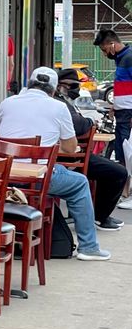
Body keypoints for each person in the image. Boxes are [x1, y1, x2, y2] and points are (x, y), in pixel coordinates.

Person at [0, 66, 110, 261]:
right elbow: (71, 148)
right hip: (39, 178)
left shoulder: (7, 103)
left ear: (28, 84)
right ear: (53, 90)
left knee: (61, 174)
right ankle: (88, 247)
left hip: (5, 178)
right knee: (79, 183)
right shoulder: (58, 107)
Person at [56, 68, 126, 231]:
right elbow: (78, 125)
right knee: (117, 172)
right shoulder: (58, 104)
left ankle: (97, 215)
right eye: (73, 86)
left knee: (109, 167)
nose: (77, 90)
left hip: (65, 156)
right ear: (60, 86)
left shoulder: (63, 102)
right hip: (69, 158)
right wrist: (89, 122)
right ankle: (99, 217)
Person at [94, 28, 132, 210]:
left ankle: (126, 191)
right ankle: (125, 192)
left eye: (104, 49)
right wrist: (115, 107)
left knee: (127, 152)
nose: (104, 53)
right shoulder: (121, 59)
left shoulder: (128, 58)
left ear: (111, 44)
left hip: (128, 113)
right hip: (122, 112)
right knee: (123, 151)